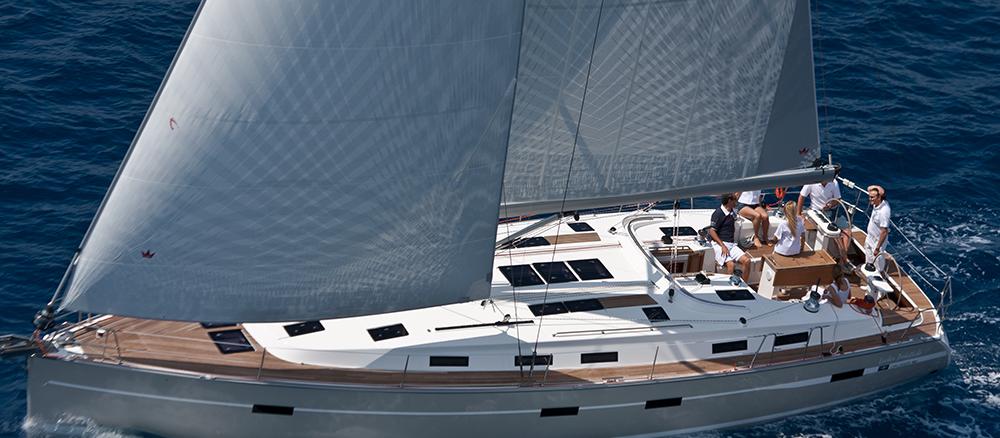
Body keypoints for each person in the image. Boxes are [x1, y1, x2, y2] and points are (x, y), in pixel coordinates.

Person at [796, 180, 852, 267]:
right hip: (817, 212)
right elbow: (802, 196)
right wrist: (798, 213)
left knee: (847, 231)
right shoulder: (811, 181)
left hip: (832, 211)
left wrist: (830, 205)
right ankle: (844, 258)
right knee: (834, 232)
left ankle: (842, 259)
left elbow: (837, 199)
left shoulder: (834, 182)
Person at [709, 193, 751, 281]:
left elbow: (737, 195)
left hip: (731, 244)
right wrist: (723, 246)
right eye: (735, 201)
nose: (737, 202)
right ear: (729, 201)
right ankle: (729, 286)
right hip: (720, 245)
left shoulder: (732, 211)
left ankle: (745, 285)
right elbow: (711, 231)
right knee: (731, 265)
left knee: (747, 261)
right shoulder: (718, 213)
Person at [865, 185, 891, 271]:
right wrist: (876, 190)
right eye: (869, 197)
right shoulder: (876, 203)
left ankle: (880, 274)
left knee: (878, 263)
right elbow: (869, 188)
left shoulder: (884, 212)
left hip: (877, 241)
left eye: (872, 197)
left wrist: (877, 248)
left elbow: (884, 232)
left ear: (879, 197)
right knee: (869, 261)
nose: (870, 199)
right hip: (870, 237)